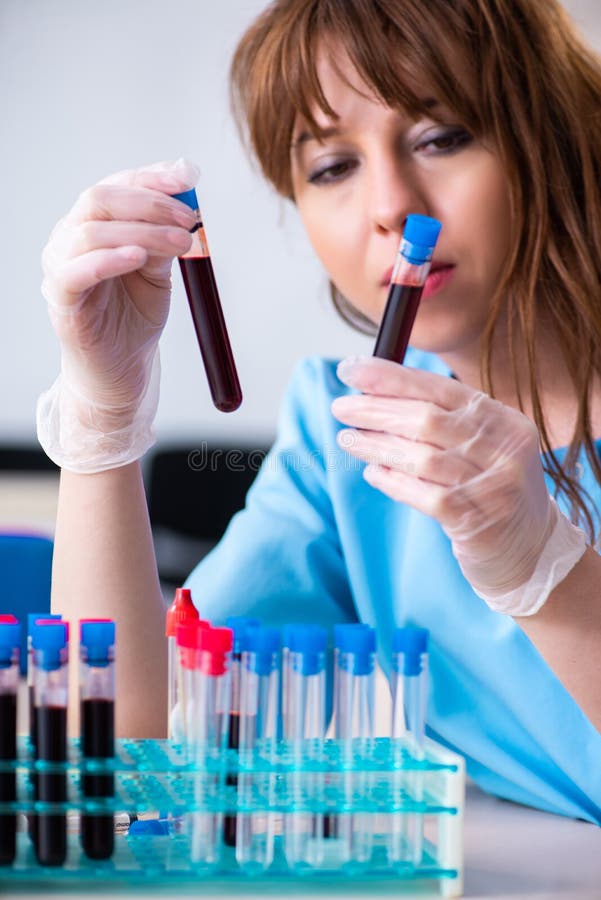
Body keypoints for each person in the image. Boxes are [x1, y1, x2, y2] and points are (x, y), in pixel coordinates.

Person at [38, 0, 601, 824]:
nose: (391, 205)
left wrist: (548, 576)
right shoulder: (342, 428)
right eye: (332, 167)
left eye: (442, 137)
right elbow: (135, 754)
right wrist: (103, 421)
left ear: (564, 133)